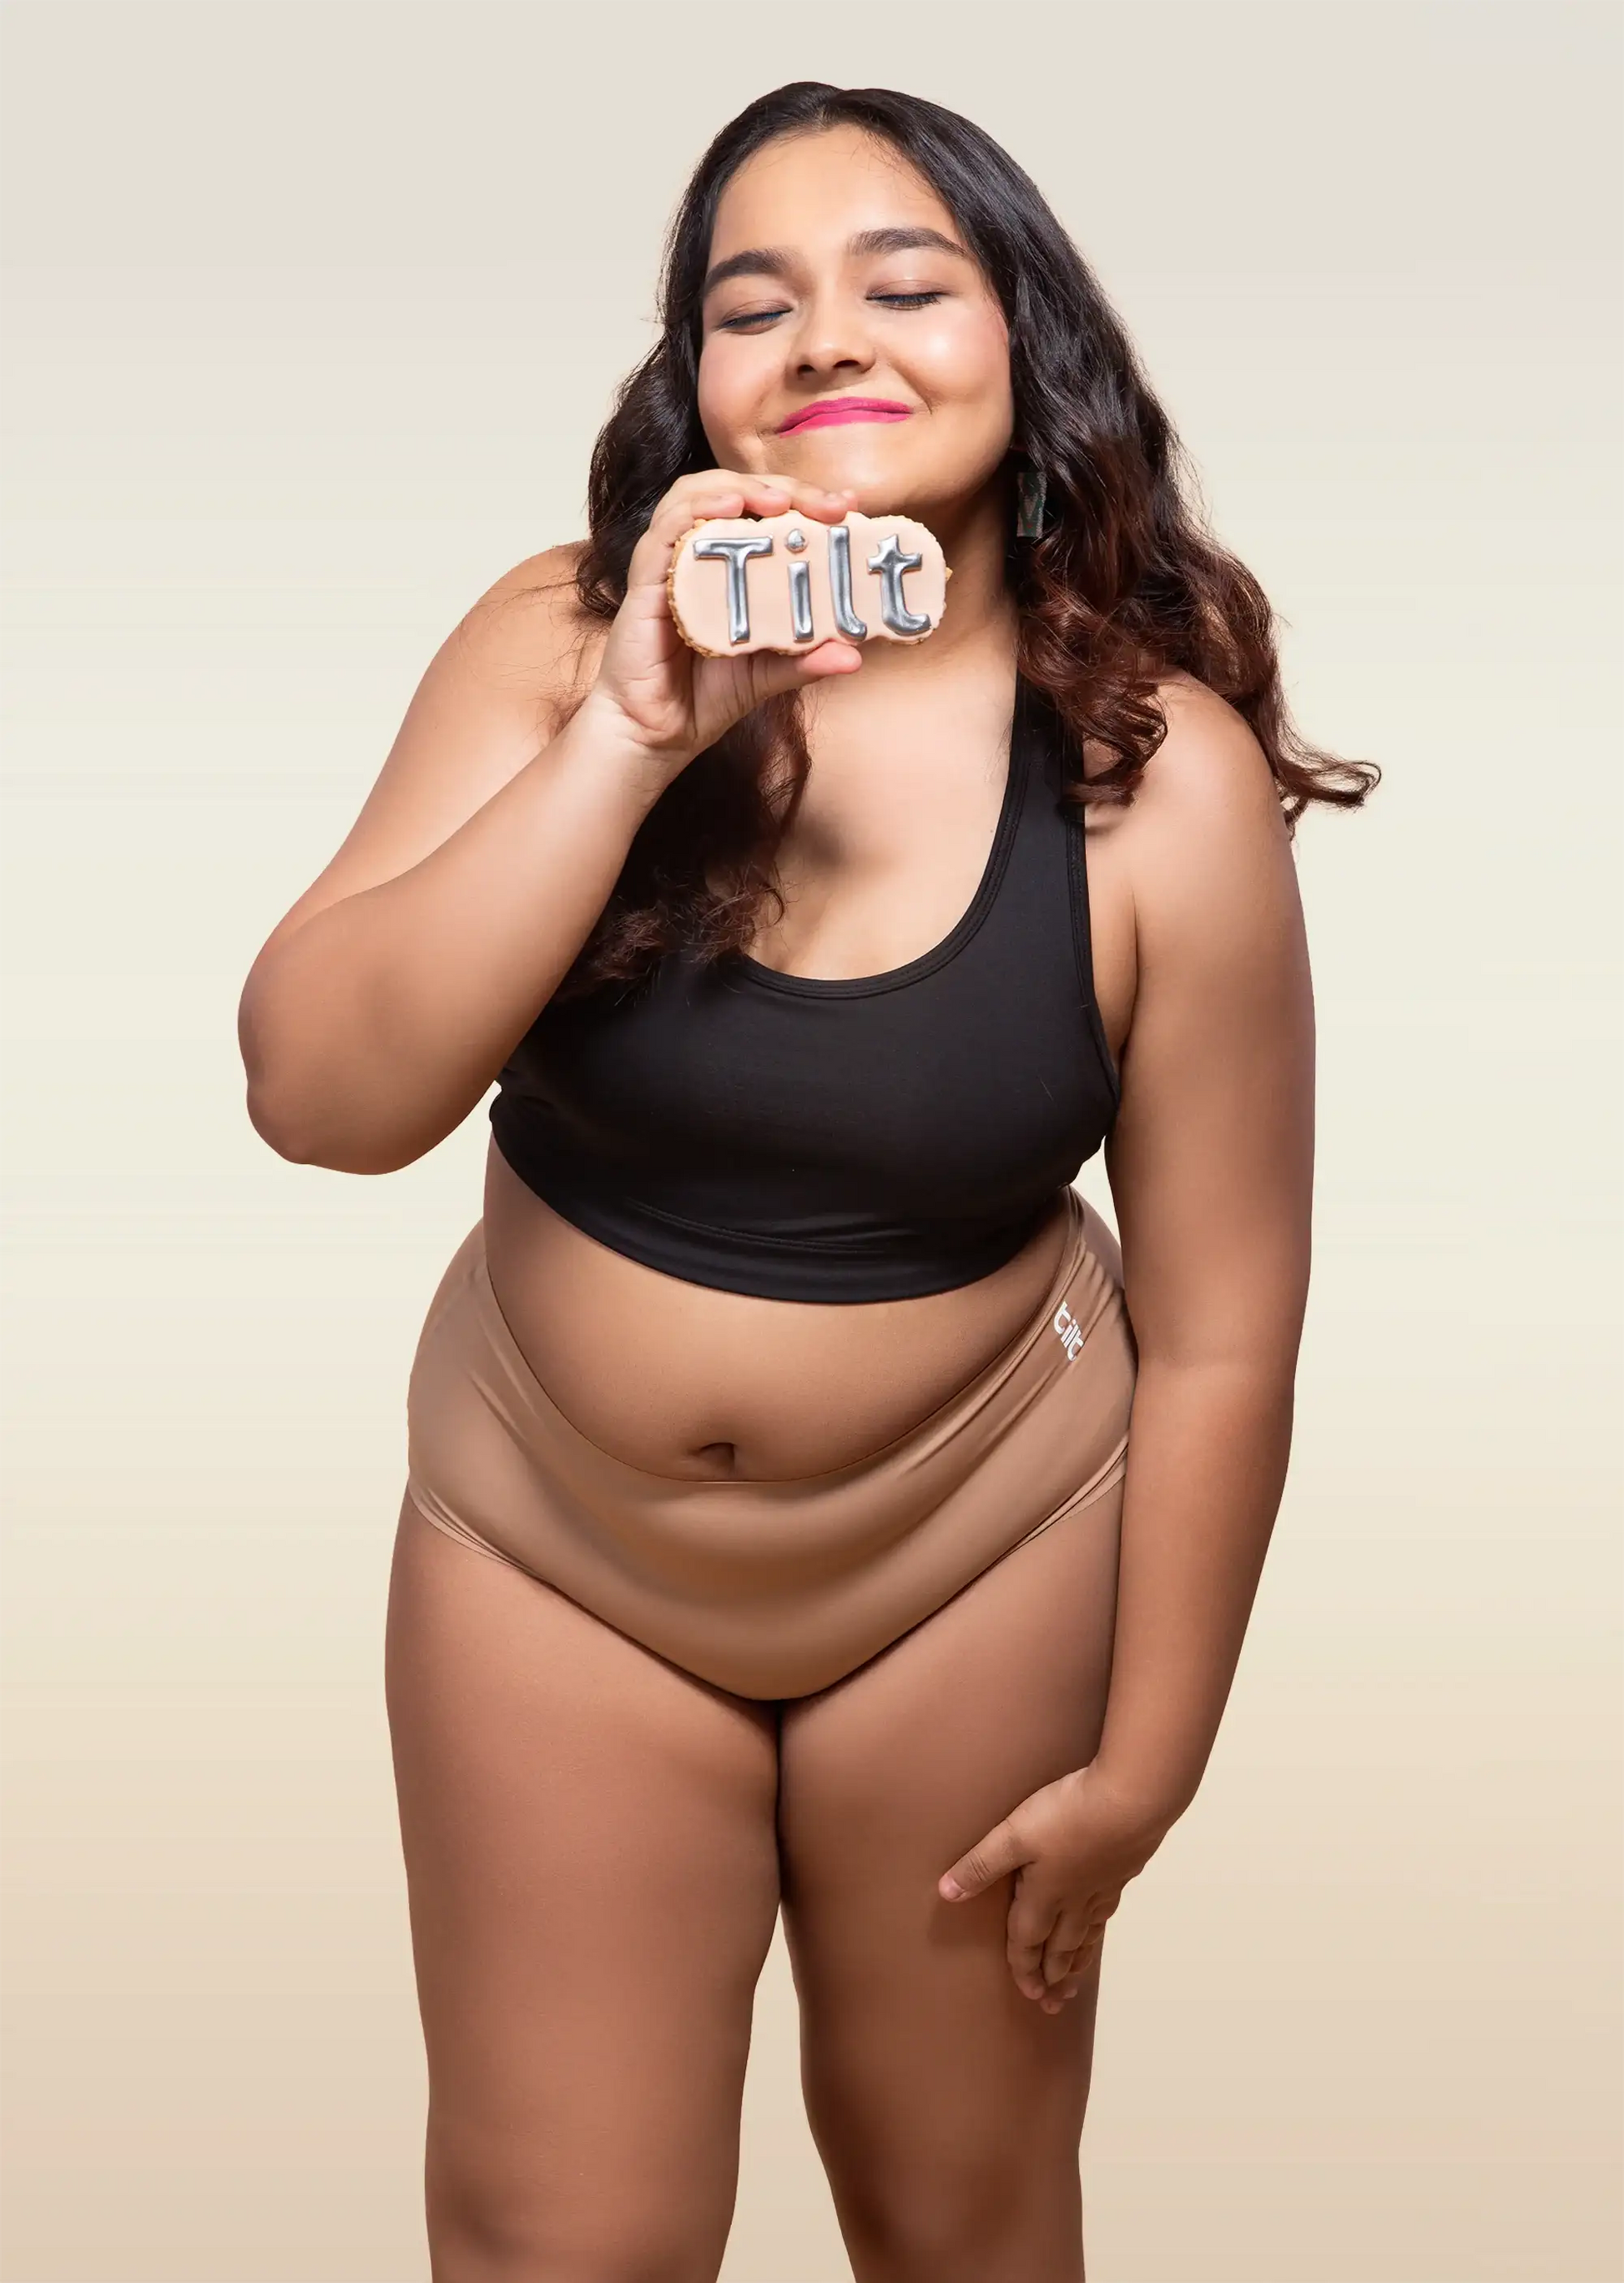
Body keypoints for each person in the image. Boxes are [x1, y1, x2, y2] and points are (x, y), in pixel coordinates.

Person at [239, 79, 1373, 2283]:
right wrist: (627, 742)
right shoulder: (561, 643)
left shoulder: (1160, 782)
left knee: (962, 2222)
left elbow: (1229, 1325)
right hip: (549, 1549)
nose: (829, 332)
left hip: (977, 1554)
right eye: (754, 304)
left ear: (1026, 341)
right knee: (560, 2234)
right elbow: (321, 1096)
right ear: (701, 391)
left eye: (906, 283)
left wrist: (1149, 1765)